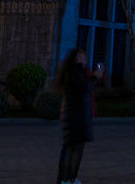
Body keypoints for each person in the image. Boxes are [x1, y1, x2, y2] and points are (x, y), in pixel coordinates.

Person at [53, 48, 98, 184]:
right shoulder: (73, 72)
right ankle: (65, 179)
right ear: (75, 58)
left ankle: (71, 178)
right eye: (81, 56)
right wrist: (95, 77)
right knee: (71, 150)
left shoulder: (79, 72)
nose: (84, 59)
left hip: (77, 116)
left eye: (84, 56)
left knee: (75, 149)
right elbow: (83, 88)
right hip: (74, 117)